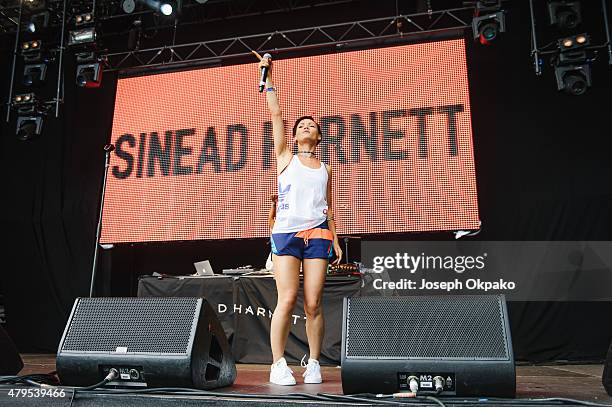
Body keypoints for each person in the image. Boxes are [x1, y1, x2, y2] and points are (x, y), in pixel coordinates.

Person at [253, 51, 343, 386]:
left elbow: (328, 207)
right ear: (294, 136)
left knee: (313, 302)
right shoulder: (284, 156)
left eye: (312, 126)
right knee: (287, 297)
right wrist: (269, 78)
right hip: (286, 234)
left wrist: (335, 238)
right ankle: (278, 363)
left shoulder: (326, 168)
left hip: (318, 233)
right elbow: (276, 114)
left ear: (318, 137)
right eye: (301, 125)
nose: (306, 127)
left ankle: (314, 362)